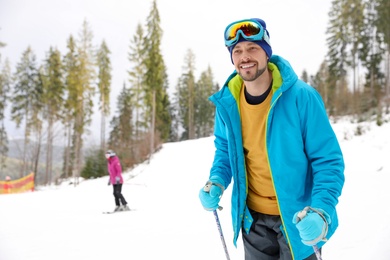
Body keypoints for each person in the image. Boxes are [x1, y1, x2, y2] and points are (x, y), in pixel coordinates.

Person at [198, 18, 345, 260]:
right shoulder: (228, 103)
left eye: (252, 48)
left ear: (267, 53)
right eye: (237, 51)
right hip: (253, 222)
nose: (245, 56)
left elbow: (328, 161)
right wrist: (216, 180)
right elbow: (225, 150)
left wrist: (321, 211)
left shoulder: (302, 97)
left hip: (299, 220)